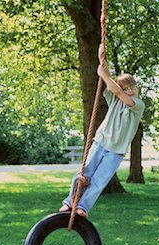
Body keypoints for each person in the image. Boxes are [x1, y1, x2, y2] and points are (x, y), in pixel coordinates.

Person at [59, 44, 145, 217]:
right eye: (125, 88)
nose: (129, 91)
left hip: (116, 152)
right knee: (85, 173)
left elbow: (117, 91)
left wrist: (105, 76)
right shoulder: (115, 99)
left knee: (99, 181)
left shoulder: (138, 105)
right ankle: (70, 202)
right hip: (101, 142)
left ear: (136, 87)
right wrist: (101, 58)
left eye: (131, 87)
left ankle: (83, 207)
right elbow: (110, 83)